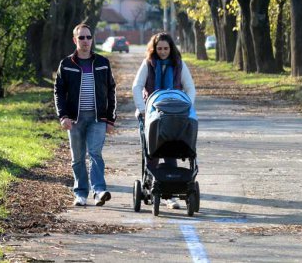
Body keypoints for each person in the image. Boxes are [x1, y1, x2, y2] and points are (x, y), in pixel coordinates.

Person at [54, 23, 117, 206]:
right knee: (78, 157)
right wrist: (63, 116)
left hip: (98, 118)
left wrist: (110, 119)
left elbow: (112, 90)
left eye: (88, 37)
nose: (85, 41)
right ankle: (81, 193)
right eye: (81, 37)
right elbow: (58, 91)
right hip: (75, 118)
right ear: (75, 40)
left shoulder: (103, 63)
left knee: (95, 153)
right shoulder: (66, 64)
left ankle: (99, 191)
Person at [132, 32, 196, 209]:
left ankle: (170, 194)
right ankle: (152, 184)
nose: (162, 52)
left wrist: (188, 107)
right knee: (152, 150)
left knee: (171, 148)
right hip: (151, 113)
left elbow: (190, 88)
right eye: (159, 48)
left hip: (175, 113)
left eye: (166, 48)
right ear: (154, 49)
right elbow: (137, 86)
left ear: (171, 48)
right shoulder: (148, 65)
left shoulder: (179, 65)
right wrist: (142, 109)